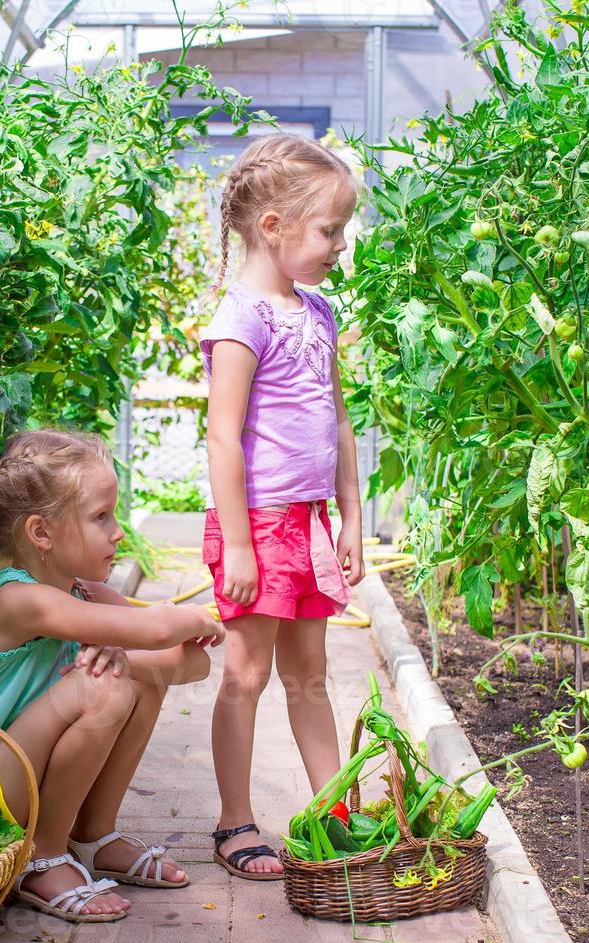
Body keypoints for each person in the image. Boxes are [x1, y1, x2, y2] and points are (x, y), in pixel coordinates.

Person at [0, 429, 224, 922]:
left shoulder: (83, 593)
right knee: (104, 689)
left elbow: (190, 664)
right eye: (101, 517)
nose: (117, 531)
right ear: (41, 533)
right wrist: (201, 617)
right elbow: (161, 629)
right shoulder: (17, 600)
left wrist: (125, 658)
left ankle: (94, 836)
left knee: (131, 680)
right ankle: (42, 857)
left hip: (11, 780)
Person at [200, 133, 366, 880]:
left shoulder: (320, 313)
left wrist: (351, 519)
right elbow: (223, 438)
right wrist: (237, 543)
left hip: (309, 525)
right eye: (330, 230)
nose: (340, 245)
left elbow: (337, 422)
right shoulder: (244, 319)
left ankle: (335, 813)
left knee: (309, 676)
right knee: (245, 675)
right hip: (260, 527)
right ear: (274, 227)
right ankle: (235, 821)